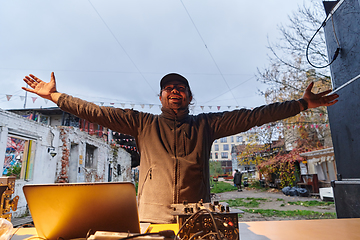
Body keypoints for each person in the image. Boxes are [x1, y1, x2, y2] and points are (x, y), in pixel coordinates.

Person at [22, 72, 338, 224]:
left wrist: (300, 104)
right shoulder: (142, 123)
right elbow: (97, 112)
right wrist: (56, 97)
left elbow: (254, 115)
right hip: (149, 218)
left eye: (181, 87)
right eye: (168, 88)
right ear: (160, 97)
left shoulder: (207, 125)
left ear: (189, 97)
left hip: (196, 220)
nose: (175, 90)